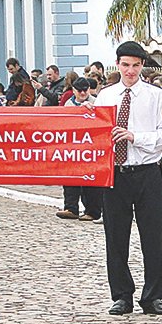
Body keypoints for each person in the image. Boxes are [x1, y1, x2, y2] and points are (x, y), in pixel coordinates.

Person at [95, 41, 162, 316]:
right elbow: (93, 132)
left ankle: (153, 296)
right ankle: (121, 296)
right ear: (118, 64)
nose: (130, 71)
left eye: (135, 66)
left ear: (142, 67)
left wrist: (135, 137)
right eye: (126, 65)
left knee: (153, 237)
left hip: (147, 172)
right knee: (116, 237)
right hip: (115, 174)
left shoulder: (156, 97)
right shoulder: (105, 96)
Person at [57, 78, 103, 222]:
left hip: (92, 147)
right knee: (70, 177)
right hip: (73, 146)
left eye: (85, 90)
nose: (83, 93)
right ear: (74, 90)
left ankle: (92, 211)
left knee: (91, 181)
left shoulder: (96, 102)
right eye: (80, 90)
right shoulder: (68, 104)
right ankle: (71, 208)